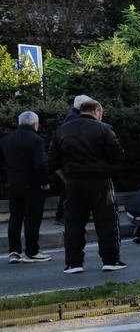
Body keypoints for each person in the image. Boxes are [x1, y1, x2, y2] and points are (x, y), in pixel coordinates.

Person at [49, 99, 126, 274]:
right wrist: (107, 168)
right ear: (97, 111)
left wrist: (66, 177)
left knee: (73, 223)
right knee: (107, 221)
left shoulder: (62, 130)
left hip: (74, 181)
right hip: (100, 180)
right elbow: (117, 155)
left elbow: (52, 161)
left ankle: (73, 263)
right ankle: (110, 260)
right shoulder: (104, 129)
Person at [0, 111, 53, 264]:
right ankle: (32, 251)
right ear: (34, 124)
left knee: (15, 217)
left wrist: (7, 178)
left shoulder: (6, 140)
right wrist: (44, 182)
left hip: (13, 183)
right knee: (32, 218)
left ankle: (14, 251)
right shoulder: (36, 140)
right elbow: (41, 164)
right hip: (33, 184)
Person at [51, 94, 91, 226]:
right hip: (72, 159)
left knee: (70, 187)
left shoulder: (71, 117)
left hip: (68, 158)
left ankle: (64, 214)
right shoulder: (75, 118)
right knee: (69, 188)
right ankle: (62, 214)